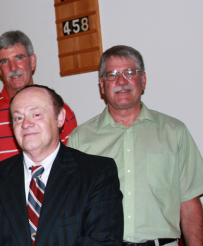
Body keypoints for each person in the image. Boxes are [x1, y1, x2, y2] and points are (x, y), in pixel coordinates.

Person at [68, 45, 203, 246]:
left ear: (143, 80)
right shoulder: (80, 139)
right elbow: (72, 210)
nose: (121, 81)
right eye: (112, 75)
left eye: (130, 73)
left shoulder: (175, 132)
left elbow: (190, 204)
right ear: (102, 85)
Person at [0, 85, 123, 246]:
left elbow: (103, 241)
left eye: (36, 114)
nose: (26, 124)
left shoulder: (97, 173)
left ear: (60, 118)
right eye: (18, 118)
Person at [0, 30, 77, 167]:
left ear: (32, 61)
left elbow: (73, 166)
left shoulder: (59, 111)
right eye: (4, 61)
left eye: (19, 58)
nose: (13, 67)